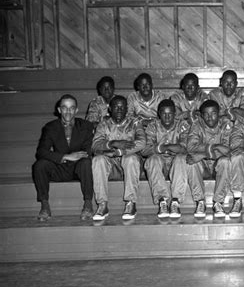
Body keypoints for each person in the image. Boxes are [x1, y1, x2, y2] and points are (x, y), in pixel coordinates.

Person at [33, 94, 94, 221]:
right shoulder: (50, 127)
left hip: (79, 168)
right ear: (59, 110)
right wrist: (65, 156)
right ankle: (45, 206)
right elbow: (41, 152)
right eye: (64, 108)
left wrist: (74, 157)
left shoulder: (86, 126)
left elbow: (87, 151)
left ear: (76, 110)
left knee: (86, 162)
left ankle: (88, 204)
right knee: (39, 165)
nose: (68, 111)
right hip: (60, 167)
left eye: (71, 108)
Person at [91, 95, 146, 225]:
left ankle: (130, 203)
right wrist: (113, 143)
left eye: (122, 107)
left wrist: (121, 151)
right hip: (112, 167)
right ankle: (102, 205)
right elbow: (95, 145)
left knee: (131, 158)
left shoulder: (134, 122)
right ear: (110, 109)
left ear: (127, 108)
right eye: (116, 107)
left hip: (131, 165)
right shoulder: (103, 124)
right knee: (98, 160)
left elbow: (142, 142)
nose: (119, 110)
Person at [142, 99, 192, 219]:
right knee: (152, 160)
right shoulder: (152, 126)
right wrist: (164, 148)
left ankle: (175, 201)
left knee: (181, 158)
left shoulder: (183, 125)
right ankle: (162, 200)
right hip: (160, 165)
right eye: (164, 113)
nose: (167, 116)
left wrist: (163, 147)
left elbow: (185, 148)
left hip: (177, 166)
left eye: (170, 113)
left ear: (175, 114)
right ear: (159, 114)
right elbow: (145, 150)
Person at [186, 100, 233, 218]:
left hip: (218, 162)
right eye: (206, 114)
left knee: (226, 161)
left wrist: (202, 154)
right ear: (202, 116)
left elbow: (227, 150)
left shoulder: (226, 124)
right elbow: (191, 147)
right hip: (203, 165)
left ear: (219, 113)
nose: (210, 117)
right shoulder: (197, 125)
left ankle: (218, 202)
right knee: (191, 161)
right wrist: (215, 147)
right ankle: (200, 201)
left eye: (213, 113)